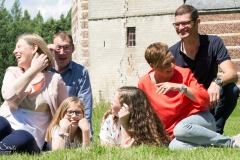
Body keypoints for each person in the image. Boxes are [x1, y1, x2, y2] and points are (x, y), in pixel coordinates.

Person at [138, 42, 240, 149]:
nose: (172, 66)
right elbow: (145, 113)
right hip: (174, 134)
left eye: (173, 60)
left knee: (180, 129)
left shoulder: (184, 73)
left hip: (201, 122)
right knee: (174, 146)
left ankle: (231, 142)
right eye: (166, 64)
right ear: (152, 65)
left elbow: (205, 99)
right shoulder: (143, 83)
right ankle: (215, 145)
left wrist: (181, 88)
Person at [169, 4, 239, 134]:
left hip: (210, 100)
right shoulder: (171, 53)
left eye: (185, 23)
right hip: (187, 106)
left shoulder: (213, 42)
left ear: (197, 22)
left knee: (232, 90)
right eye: (177, 24)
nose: (180, 28)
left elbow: (232, 74)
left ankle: (216, 130)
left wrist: (217, 82)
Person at [0, 33, 68, 154]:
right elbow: (8, 96)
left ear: (34, 48)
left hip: (30, 137)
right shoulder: (12, 72)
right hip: (8, 125)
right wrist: (33, 70)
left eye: (19, 47)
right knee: (2, 122)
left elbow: (65, 114)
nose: (14, 51)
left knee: (22, 135)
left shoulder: (55, 80)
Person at [48, 31, 93, 137]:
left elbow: (85, 106)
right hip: (46, 124)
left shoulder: (81, 72)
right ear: (52, 50)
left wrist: (87, 135)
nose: (62, 52)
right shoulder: (43, 71)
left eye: (66, 47)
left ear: (73, 48)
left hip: (71, 127)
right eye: (58, 48)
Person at [99, 86, 170, 147]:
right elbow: (105, 146)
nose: (111, 102)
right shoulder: (110, 120)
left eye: (114, 101)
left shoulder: (142, 123)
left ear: (125, 107)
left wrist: (124, 122)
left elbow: (131, 150)